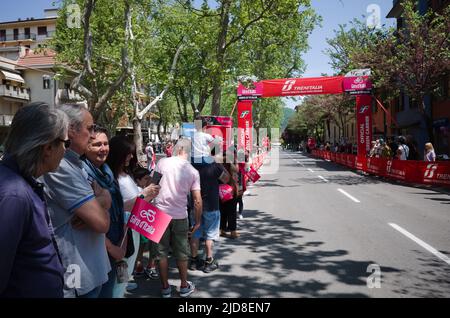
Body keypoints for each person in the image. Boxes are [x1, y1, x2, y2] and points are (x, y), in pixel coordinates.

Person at [41, 103, 112, 298]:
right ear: (71, 130)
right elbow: (102, 222)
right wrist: (102, 200)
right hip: (77, 278)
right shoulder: (59, 166)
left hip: (91, 271)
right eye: (89, 128)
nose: (92, 135)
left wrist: (102, 198)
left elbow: (103, 202)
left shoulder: (76, 163)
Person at [0, 102, 68, 298]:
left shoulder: (20, 185)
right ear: (48, 148)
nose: (66, 151)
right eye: (65, 143)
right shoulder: (14, 194)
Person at [107, 136, 160, 297]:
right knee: (119, 273)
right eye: (127, 153)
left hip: (134, 227)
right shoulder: (111, 177)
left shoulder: (125, 174)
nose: (131, 157)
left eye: (132, 153)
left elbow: (135, 200)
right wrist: (143, 195)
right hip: (123, 231)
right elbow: (117, 207)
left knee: (125, 271)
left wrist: (148, 194)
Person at [82, 126, 130, 298]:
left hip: (114, 246)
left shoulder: (107, 172)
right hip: (98, 250)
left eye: (105, 143)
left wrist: (121, 242)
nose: (103, 148)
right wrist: (111, 247)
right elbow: (85, 220)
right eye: (96, 145)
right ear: (85, 146)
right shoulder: (83, 173)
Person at [153, 138, 203, 298]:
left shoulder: (162, 163)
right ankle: (183, 285)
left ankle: (165, 288)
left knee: (161, 253)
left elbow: (152, 186)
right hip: (180, 216)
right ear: (189, 151)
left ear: (177, 148)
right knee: (182, 253)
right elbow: (197, 200)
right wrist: (197, 221)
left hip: (159, 213)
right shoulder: (193, 171)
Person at [190, 152, 230, 274]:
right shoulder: (214, 163)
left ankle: (194, 260)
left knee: (195, 233)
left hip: (195, 204)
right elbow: (226, 178)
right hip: (211, 204)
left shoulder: (191, 163)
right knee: (210, 235)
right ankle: (209, 261)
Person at [132, 167, 159, 280]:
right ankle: (139, 265)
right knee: (141, 245)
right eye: (145, 178)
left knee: (145, 244)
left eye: (149, 178)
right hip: (141, 219)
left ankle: (142, 265)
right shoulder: (138, 190)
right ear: (138, 180)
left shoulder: (144, 188)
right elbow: (139, 203)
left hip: (146, 218)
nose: (148, 180)